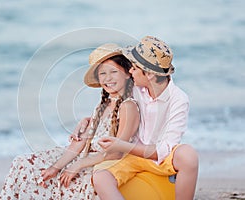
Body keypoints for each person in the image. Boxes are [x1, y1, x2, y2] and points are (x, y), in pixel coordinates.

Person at [0, 43, 140, 199]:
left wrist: (78, 165)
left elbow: (117, 152)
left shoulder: (128, 106)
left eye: (114, 71)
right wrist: (56, 166)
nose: (108, 78)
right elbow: (80, 142)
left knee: (66, 181)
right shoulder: (103, 105)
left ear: (127, 73)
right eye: (102, 74)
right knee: (23, 163)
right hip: (85, 156)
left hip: (100, 162)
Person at [74, 36, 198, 200]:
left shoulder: (178, 99)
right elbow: (112, 107)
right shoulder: (135, 87)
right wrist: (88, 120)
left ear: (149, 74)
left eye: (134, 68)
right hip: (131, 157)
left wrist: (122, 145)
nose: (130, 71)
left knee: (188, 155)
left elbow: (165, 149)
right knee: (101, 177)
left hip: (159, 159)